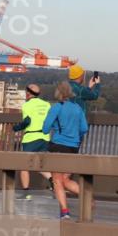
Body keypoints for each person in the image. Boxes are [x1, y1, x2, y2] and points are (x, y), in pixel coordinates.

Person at [42, 82, 89, 220]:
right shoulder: (77, 108)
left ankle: (64, 212)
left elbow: (45, 128)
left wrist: (57, 128)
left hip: (58, 145)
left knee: (57, 180)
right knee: (65, 179)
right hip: (73, 147)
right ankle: (88, 197)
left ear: (58, 93)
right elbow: (84, 128)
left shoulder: (57, 107)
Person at [12, 83, 53, 200]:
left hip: (31, 138)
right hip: (45, 138)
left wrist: (16, 128)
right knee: (39, 165)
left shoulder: (27, 105)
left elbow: (27, 122)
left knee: (24, 166)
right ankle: (52, 180)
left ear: (28, 93)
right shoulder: (47, 104)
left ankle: (26, 193)